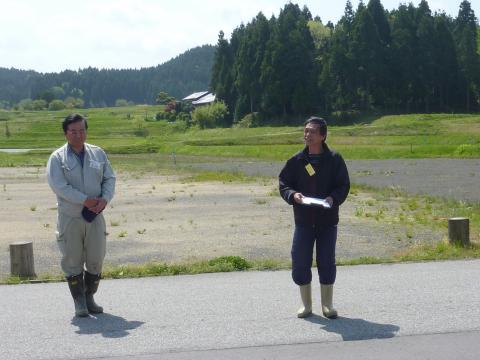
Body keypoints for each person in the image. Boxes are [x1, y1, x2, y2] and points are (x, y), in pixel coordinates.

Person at [279, 116, 349, 319]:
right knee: (300, 260)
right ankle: (306, 305)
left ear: (323, 136)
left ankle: (327, 305)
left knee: (326, 261)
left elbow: (343, 185)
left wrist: (333, 198)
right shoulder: (296, 161)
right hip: (303, 221)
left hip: (327, 222)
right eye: (306, 131)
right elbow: (284, 183)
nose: (307, 135)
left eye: (312, 131)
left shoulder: (335, 159)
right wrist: (293, 195)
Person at [47, 114, 116, 317]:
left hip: (95, 215)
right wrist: (84, 199)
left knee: (96, 258)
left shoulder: (98, 154)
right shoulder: (57, 158)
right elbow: (59, 186)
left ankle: (90, 297)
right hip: (70, 217)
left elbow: (109, 178)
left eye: (82, 130)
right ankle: (79, 302)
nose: (79, 135)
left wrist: (105, 198)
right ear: (66, 133)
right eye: (74, 131)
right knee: (72, 259)